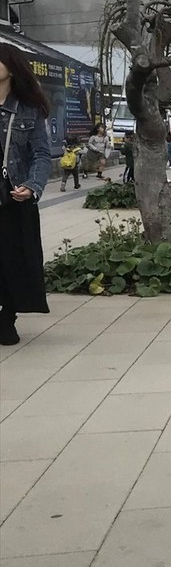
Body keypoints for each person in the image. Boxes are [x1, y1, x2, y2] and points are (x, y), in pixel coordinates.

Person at [0, 43, 53, 346]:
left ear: (11, 68)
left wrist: (32, 186)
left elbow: (42, 154)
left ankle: (7, 317)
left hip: (12, 196)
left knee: (13, 260)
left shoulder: (29, 109)